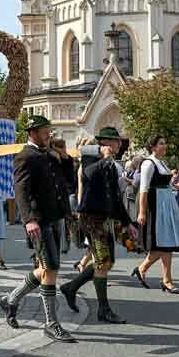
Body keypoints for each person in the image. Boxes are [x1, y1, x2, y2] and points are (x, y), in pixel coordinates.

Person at [0, 115, 76, 343]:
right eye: (44, 131)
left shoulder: (49, 154)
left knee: (45, 269)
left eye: (48, 130)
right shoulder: (25, 156)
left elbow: (68, 181)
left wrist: (65, 158)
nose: (48, 134)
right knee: (51, 268)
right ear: (32, 132)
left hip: (55, 217)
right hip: (39, 221)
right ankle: (51, 323)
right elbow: (20, 190)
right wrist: (28, 220)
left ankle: (10, 300)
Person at [59, 127, 136, 324]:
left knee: (108, 262)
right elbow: (89, 175)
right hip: (91, 217)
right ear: (106, 142)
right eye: (117, 142)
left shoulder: (110, 164)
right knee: (103, 261)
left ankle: (71, 287)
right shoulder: (91, 157)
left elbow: (115, 197)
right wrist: (105, 159)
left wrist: (127, 223)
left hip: (104, 217)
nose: (120, 145)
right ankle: (104, 310)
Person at [130, 136, 179, 294]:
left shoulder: (161, 162)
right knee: (164, 244)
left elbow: (166, 184)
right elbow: (143, 189)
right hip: (156, 205)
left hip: (166, 204)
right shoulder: (148, 163)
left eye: (165, 143)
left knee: (166, 243)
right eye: (161, 143)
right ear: (153, 147)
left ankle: (156, 275)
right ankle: (163, 279)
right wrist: (142, 212)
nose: (165, 146)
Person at [52, 138, 76, 254]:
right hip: (52, 198)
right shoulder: (48, 158)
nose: (62, 149)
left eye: (63, 146)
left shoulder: (68, 160)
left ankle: (63, 246)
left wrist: (64, 157)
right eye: (60, 146)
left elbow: (70, 178)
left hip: (65, 195)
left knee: (64, 223)